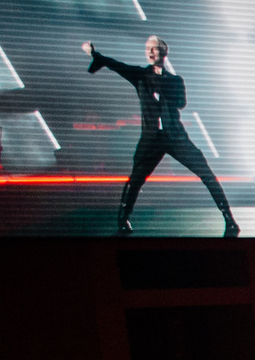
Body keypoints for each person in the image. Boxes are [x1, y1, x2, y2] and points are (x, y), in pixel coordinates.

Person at [82, 35, 238, 237]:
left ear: (163, 53)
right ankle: (122, 220)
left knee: (205, 172)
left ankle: (229, 219)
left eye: (154, 48)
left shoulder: (175, 80)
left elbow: (181, 103)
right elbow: (116, 65)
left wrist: (161, 83)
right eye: (147, 48)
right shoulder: (140, 75)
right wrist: (95, 55)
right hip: (151, 138)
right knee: (135, 179)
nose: (150, 52)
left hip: (175, 136)